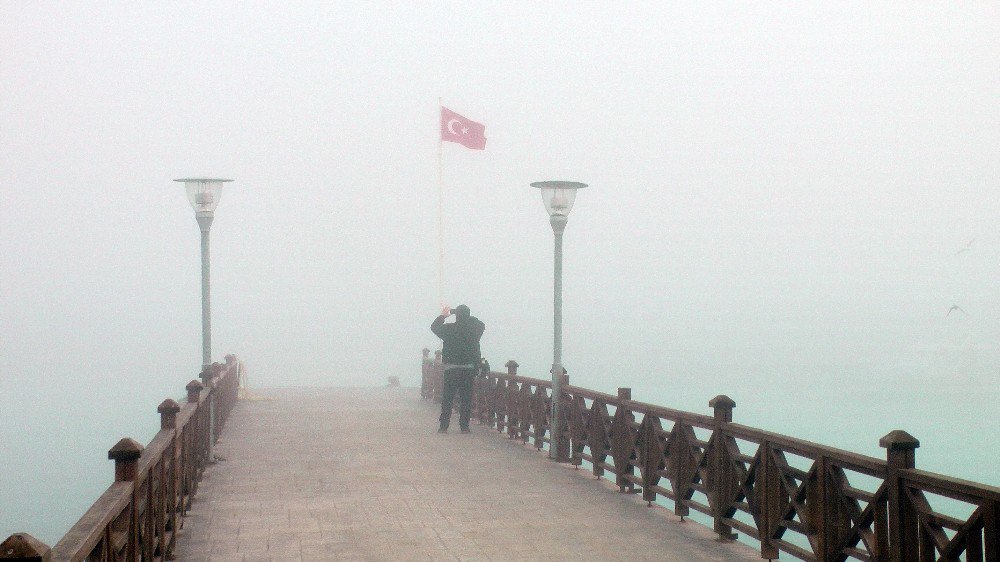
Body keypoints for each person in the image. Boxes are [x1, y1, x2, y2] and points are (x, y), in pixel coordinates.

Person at [431, 304, 485, 433]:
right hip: (468, 369)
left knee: (447, 399)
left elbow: (434, 327)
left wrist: (444, 315)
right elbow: (481, 324)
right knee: (466, 399)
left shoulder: (449, 329)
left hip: (451, 369)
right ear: (468, 315)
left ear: (457, 316)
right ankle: (464, 427)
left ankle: (443, 426)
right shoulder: (474, 330)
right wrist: (466, 315)